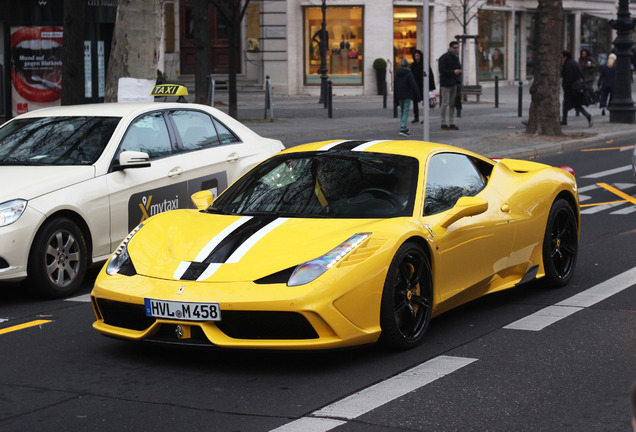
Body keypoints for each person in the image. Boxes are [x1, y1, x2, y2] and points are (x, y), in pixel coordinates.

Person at [561, 50, 593, 127]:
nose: (561, 59)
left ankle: (564, 120)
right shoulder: (573, 63)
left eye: (562, 57)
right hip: (576, 88)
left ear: (565, 57)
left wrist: (566, 86)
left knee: (569, 104)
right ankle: (564, 120)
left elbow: (569, 77)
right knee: (575, 105)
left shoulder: (568, 64)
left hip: (571, 89)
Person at [438, 41, 462, 130]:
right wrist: (453, 72)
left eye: (457, 48)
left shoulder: (456, 57)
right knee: (445, 103)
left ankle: (451, 122)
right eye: (455, 48)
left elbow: (459, 67)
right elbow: (442, 70)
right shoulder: (444, 58)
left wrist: (458, 74)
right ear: (450, 48)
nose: (456, 49)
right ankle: (443, 123)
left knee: (452, 103)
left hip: (454, 83)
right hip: (445, 84)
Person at [394, 57, 420, 137]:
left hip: (399, 94)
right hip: (407, 94)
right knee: (405, 111)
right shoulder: (409, 73)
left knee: (402, 111)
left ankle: (403, 126)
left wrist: (396, 97)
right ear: (408, 65)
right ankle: (403, 128)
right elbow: (413, 85)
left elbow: (395, 85)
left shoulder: (397, 73)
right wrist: (418, 95)